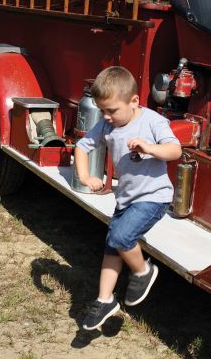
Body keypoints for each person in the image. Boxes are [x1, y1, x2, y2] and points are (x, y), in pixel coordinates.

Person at [74, 66, 182, 331]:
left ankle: (144, 271)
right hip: (126, 200)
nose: (107, 117)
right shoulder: (106, 125)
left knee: (122, 237)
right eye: (103, 111)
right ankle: (105, 300)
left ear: (134, 101)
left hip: (153, 197)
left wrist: (149, 147)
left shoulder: (152, 121)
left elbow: (175, 150)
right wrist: (86, 177)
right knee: (113, 245)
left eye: (112, 110)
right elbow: (81, 147)